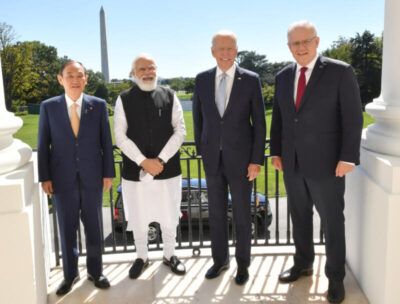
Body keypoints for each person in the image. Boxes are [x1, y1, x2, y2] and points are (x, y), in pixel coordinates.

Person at [270, 21, 363, 303]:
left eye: (305, 41)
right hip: (292, 163)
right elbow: (280, 119)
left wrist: (348, 157)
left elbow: (352, 117)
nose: (301, 48)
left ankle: (335, 278)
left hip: (328, 164)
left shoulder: (339, 71)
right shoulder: (283, 76)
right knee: (299, 217)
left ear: (317, 41)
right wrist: (276, 151)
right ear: (289, 47)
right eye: (295, 44)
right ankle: (303, 263)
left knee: (332, 222)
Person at [193, 31, 266, 285]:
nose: (225, 53)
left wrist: (256, 159)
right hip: (213, 160)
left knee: (243, 214)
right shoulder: (202, 80)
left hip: (243, 161)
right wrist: (203, 152)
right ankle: (220, 261)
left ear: (237, 51)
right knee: (215, 213)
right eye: (220, 48)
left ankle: (243, 265)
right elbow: (198, 118)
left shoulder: (251, 79)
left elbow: (259, 123)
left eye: (230, 48)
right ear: (212, 51)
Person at [38, 60, 115, 296]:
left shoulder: (98, 105)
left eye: (79, 75)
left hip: (93, 178)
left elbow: (106, 142)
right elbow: (43, 145)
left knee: (94, 227)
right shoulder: (49, 107)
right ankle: (70, 275)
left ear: (86, 79)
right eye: (70, 75)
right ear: (60, 79)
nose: (75, 79)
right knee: (67, 229)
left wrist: (108, 173)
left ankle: (95, 271)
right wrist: (45, 177)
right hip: (61, 180)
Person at [114, 54, 187, 279]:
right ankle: (141, 257)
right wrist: (144, 161)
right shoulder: (123, 98)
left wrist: (161, 160)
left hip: (168, 170)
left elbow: (180, 131)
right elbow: (120, 136)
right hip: (135, 172)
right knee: (138, 216)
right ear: (133, 73)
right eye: (142, 69)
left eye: (151, 68)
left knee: (169, 214)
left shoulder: (170, 95)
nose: (148, 72)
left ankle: (170, 255)